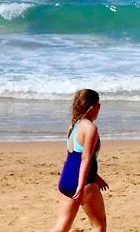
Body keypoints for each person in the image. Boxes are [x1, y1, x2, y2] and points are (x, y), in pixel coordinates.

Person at [50, 89, 108, 232]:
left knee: (61, 227)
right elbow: (85, 158)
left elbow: (73, 156)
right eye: (98, 105)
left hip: (66, 179)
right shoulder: (90, 128)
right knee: (99, 226)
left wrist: (97, 177)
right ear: (94, 107)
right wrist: (81, 185)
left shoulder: (73, 126)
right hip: (83, 182)